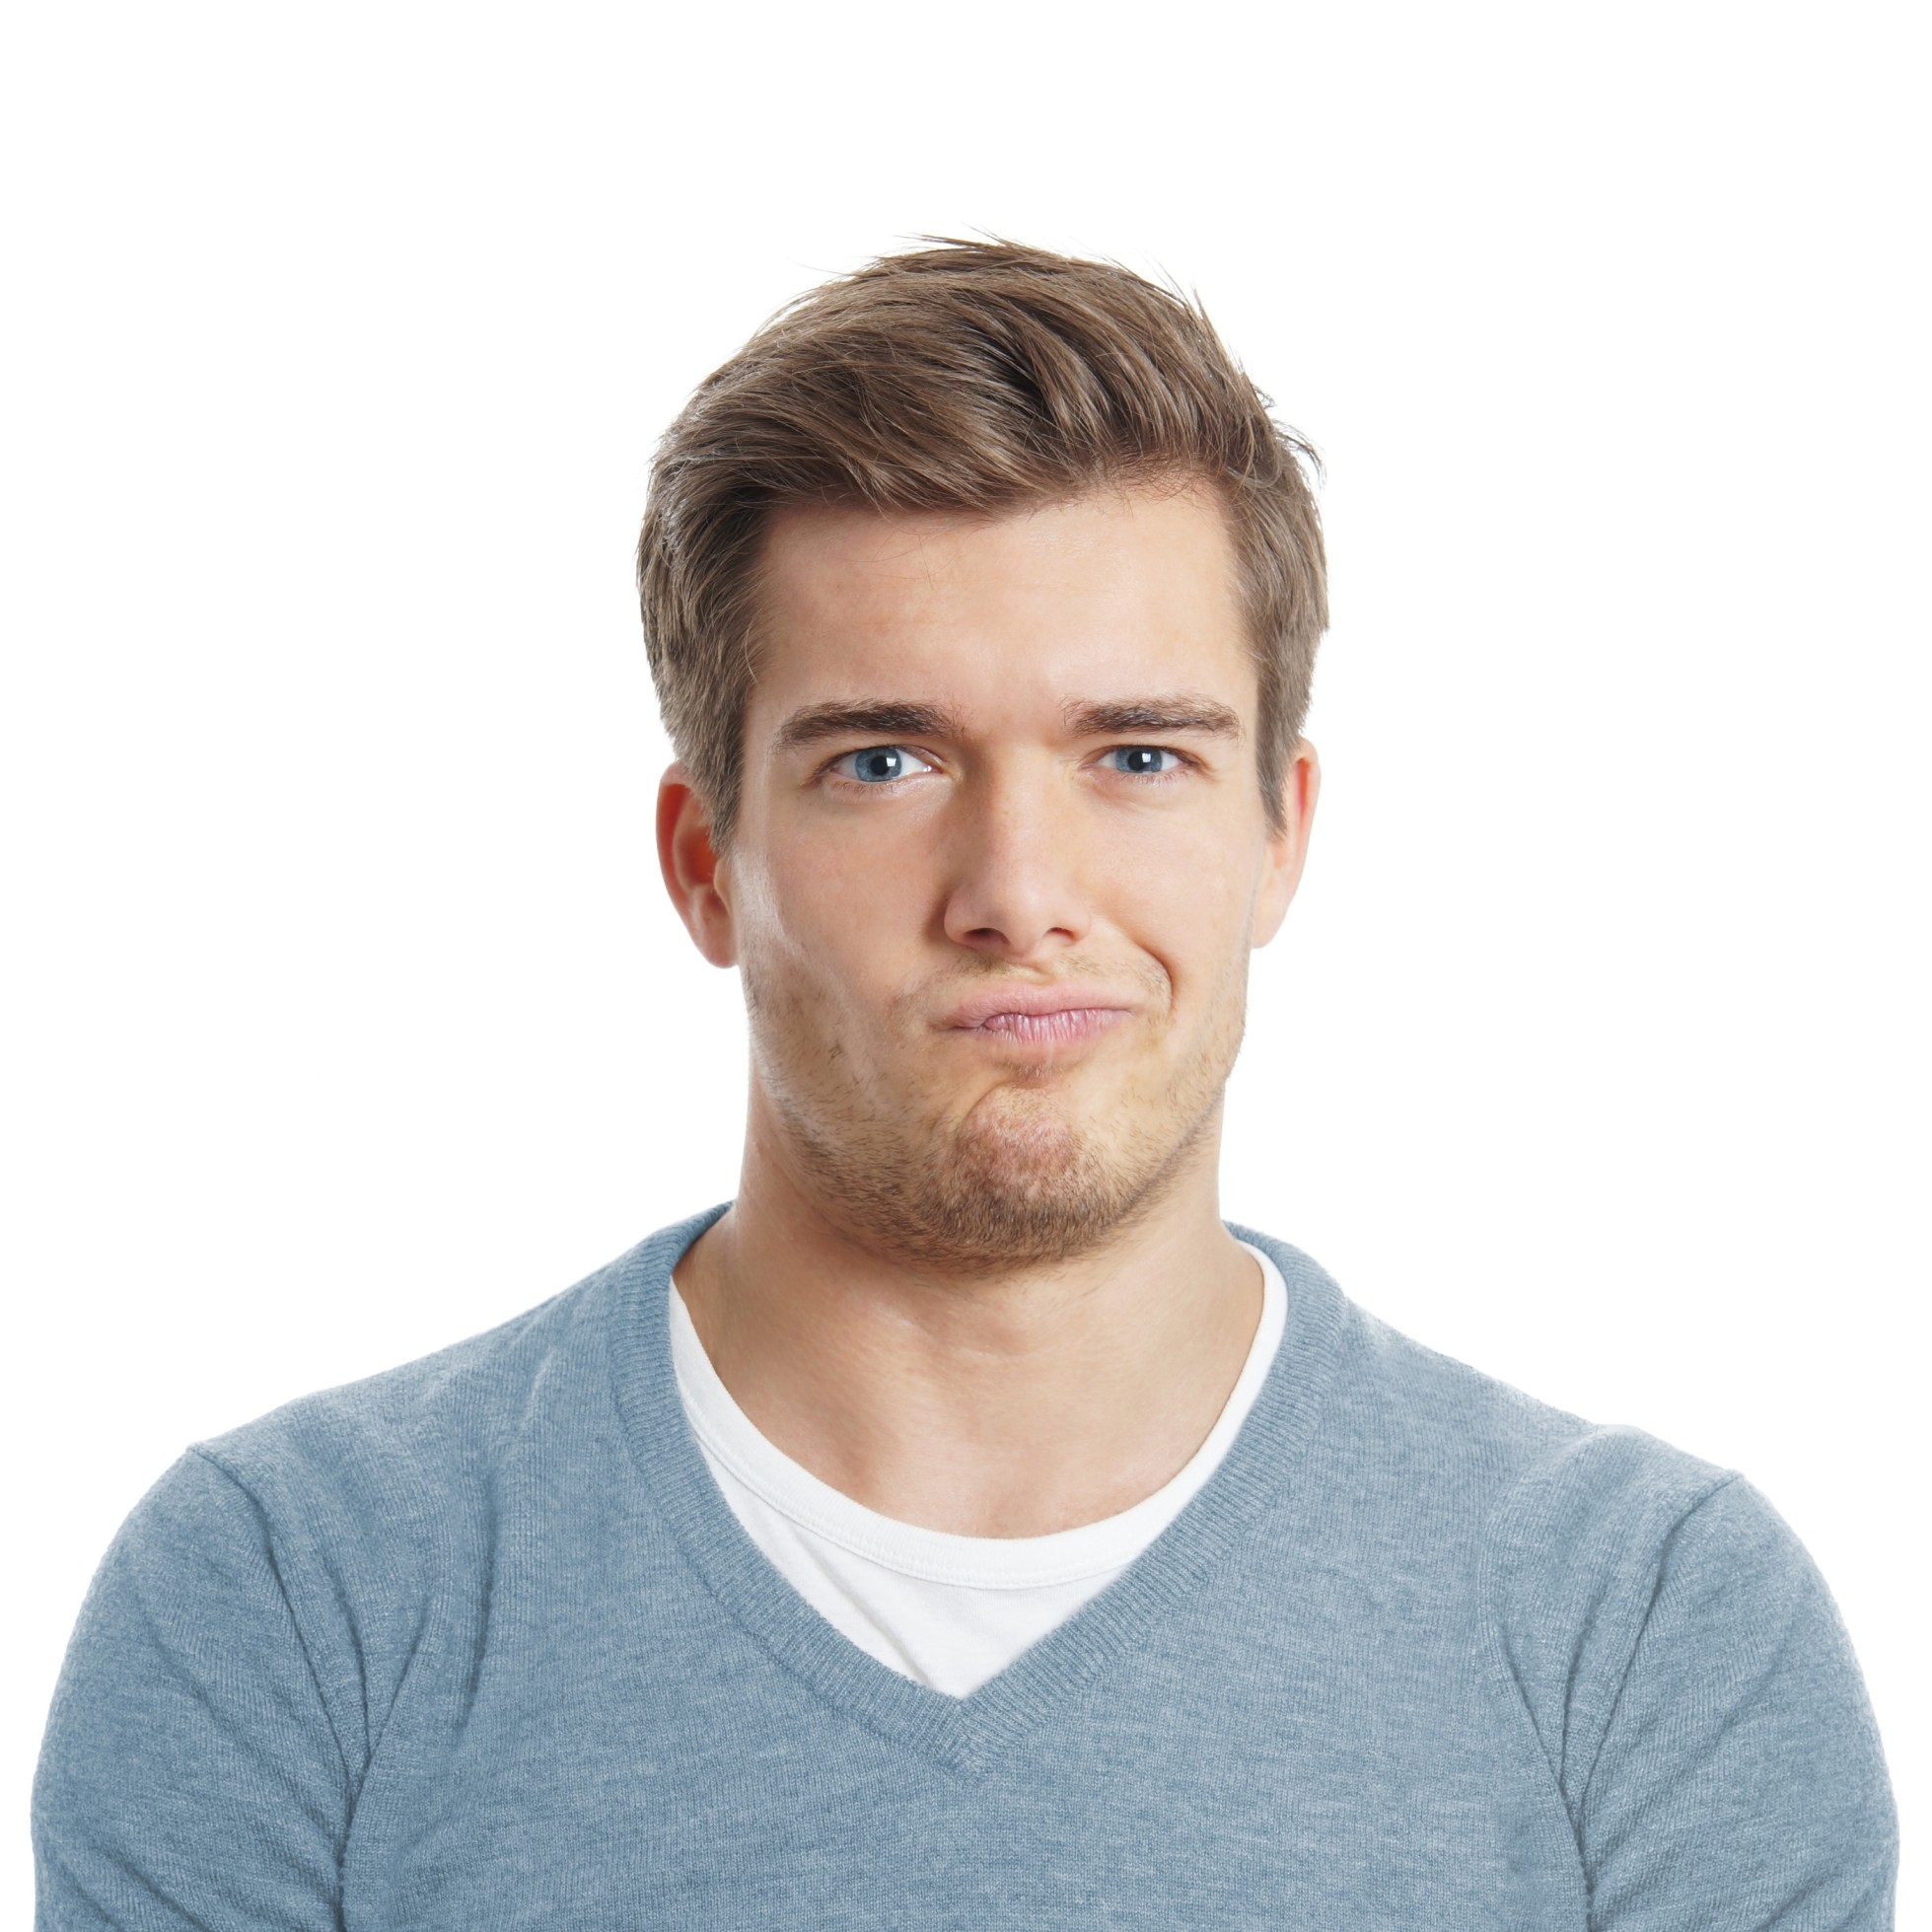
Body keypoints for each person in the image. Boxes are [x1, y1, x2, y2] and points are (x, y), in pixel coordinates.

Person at [33, 239, 1897, 1928]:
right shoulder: (298, 1599)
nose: (1018, 893)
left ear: (1282, 834)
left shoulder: (1642, 1629)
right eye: (885, 763)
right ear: (702, 861)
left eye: (1140, 757)